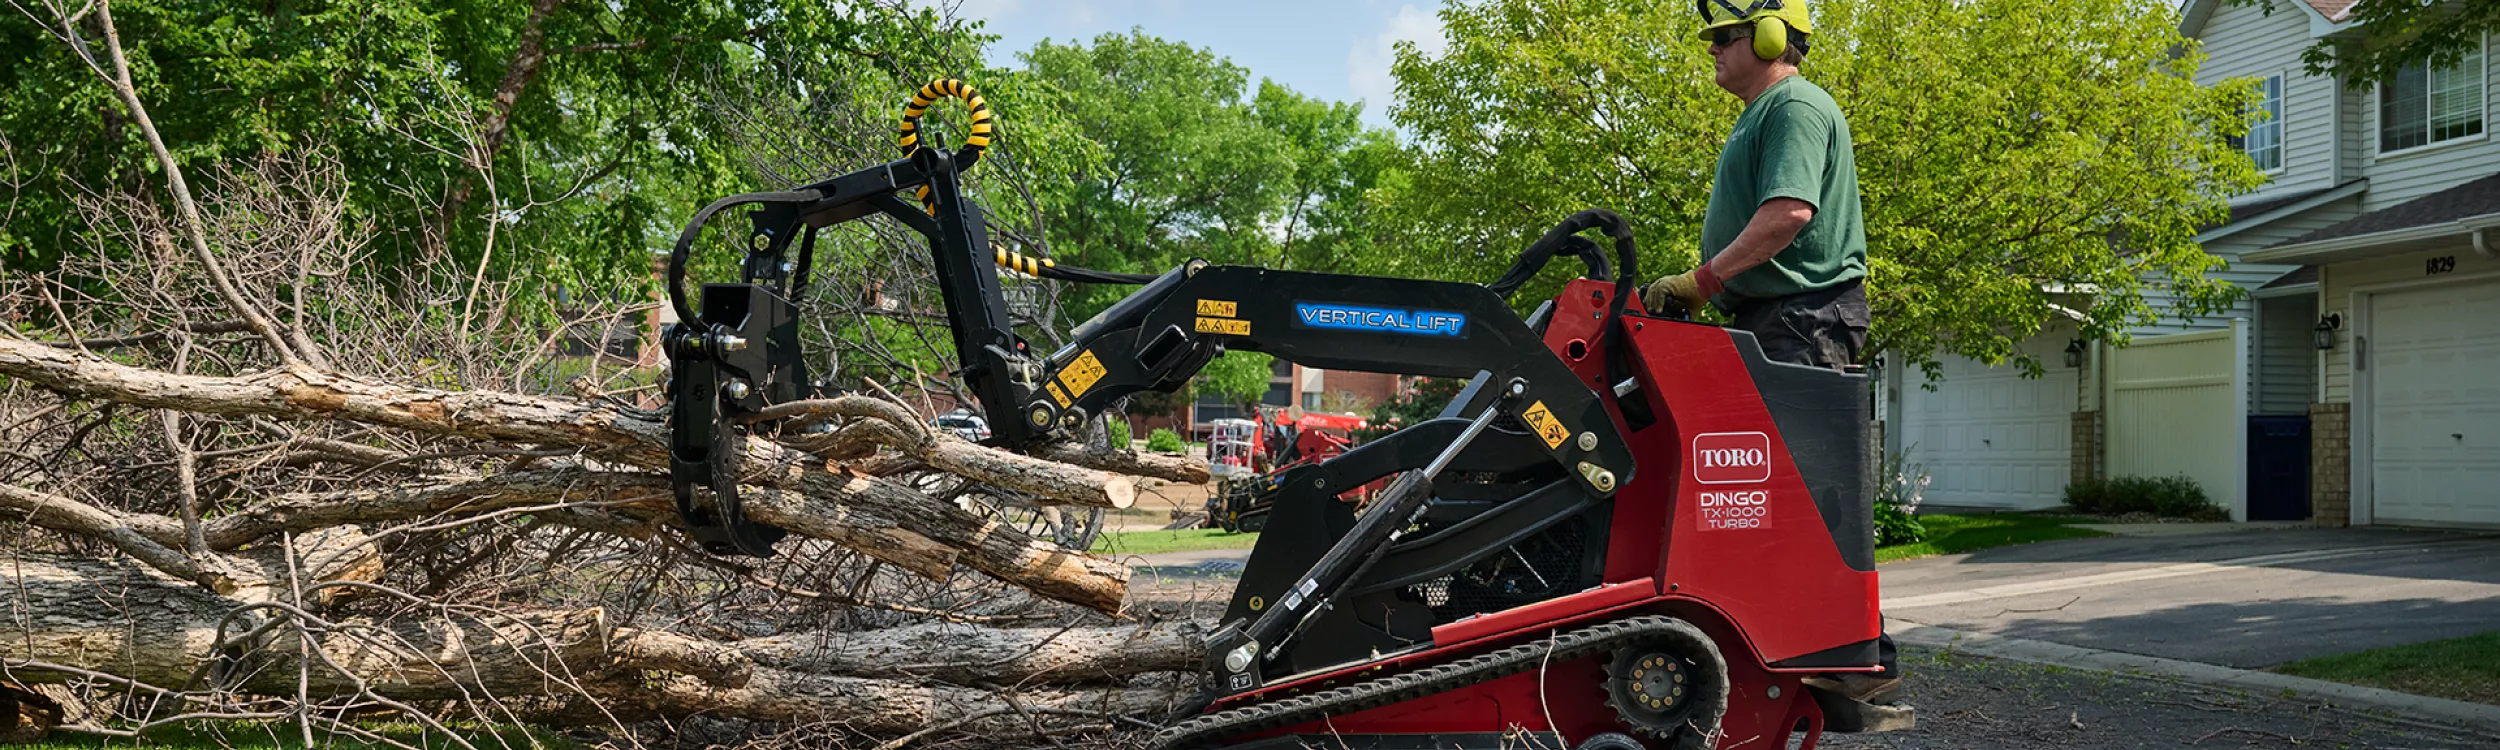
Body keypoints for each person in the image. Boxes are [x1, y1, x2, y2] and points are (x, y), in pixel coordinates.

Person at [1644, 0, 1899, 705]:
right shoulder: (1762, 114)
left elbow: (1789, 213)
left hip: (1806, 315)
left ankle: (1856, 659)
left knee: (1811, 495)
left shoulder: (1795, 107)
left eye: (1725, 37)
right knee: (1767, 496)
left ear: (1770, 36)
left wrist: (1701, 280)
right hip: (1775, 315)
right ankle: (1802, 642)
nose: (1714, 50)